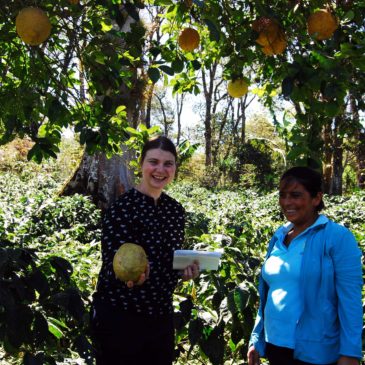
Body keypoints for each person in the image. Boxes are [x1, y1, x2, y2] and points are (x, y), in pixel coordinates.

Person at [91, 135, 199, 365]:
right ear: (141, 164)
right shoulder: (122, 208)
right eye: (153, 162)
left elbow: (168, 259)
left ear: (175, 169)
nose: (160, 169)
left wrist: (183, 271)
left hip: (159, 315)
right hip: (120, 315)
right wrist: (130, 278)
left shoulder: (175, 211)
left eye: (168, 164)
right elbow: (113, 261)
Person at [247, 167, 363, 365]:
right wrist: (256, 338)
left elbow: (350, 301)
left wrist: (350, 353)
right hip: (275, 346)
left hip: (316, 351)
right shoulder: (279, 236)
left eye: (296, 195)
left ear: (316, 198)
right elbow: (269, 294)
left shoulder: (337, 238)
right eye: (282, 195)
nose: (286, 202)